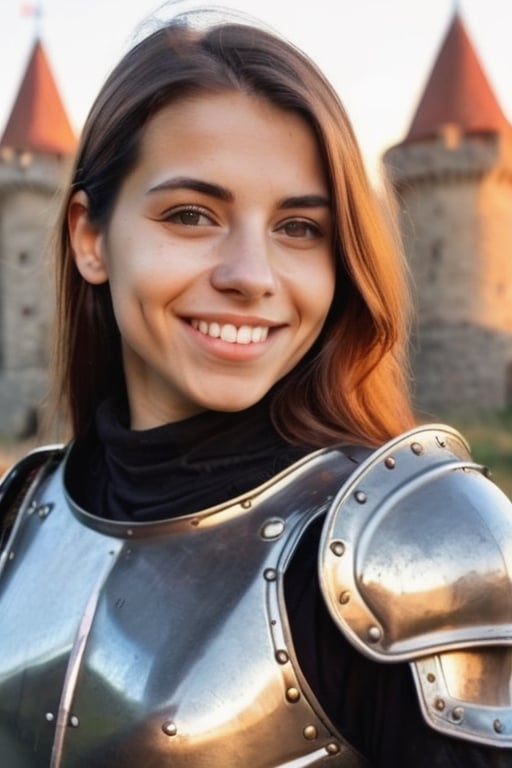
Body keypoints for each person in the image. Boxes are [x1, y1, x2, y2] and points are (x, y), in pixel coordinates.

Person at [1, 6, 512, 767]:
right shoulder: (22, 512)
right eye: (192, 215)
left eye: (300, 227)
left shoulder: (419, 549)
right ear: (90, 237)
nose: (250, 275)